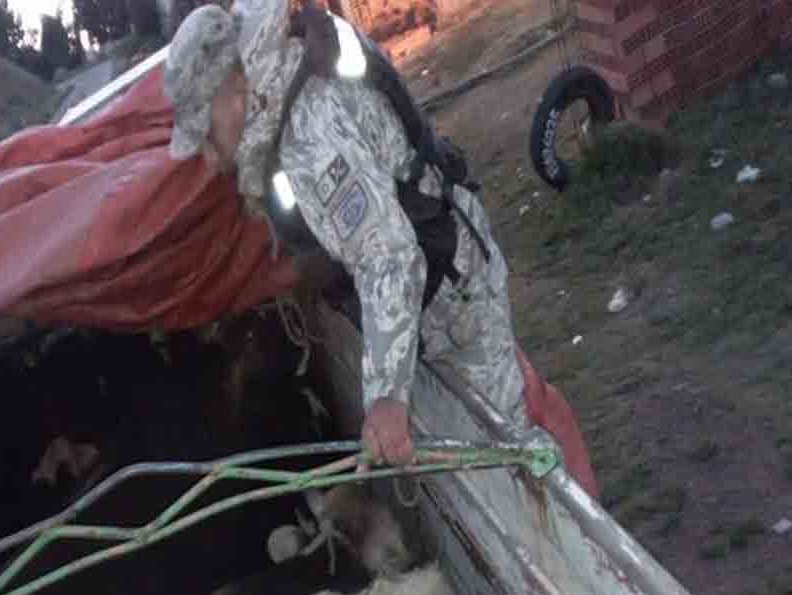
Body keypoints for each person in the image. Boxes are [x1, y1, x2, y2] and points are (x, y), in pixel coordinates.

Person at [162, 0, 598, 497]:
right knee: (519, 397)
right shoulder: (284, 62)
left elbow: (390, 257)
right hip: (445, 262)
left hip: (448, 287)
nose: (208, 154)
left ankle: (586, 534)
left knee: (514, 449)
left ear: (232, 93)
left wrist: (387, 400)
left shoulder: (308, 132)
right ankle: (583, 500)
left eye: (205, 132)